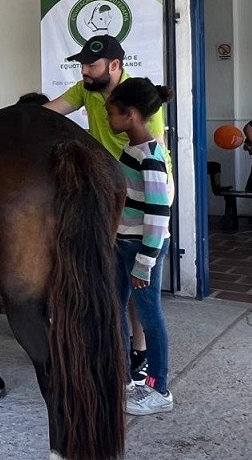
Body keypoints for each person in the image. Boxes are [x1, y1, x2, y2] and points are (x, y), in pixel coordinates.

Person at [44, 34, 168, 383]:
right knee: (114, 290)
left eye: (91, 65)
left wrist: (147, 255)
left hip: (141, 198)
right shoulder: (87, 89)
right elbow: (49, 111)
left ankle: (143, 357)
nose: (84, 71)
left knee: (141, 295)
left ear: (114, 65)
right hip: (110, 198)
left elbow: (155, 181)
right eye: (82, 64)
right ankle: (118, 358)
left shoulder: (138, 102)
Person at [105, 78, 175, 416]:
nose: (108, 119)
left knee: (149, 317)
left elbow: (159, 214)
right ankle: (123, 379)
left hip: (142, 249)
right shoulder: (130, 149)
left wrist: (145, 262)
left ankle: (160, 389)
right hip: (124, 244)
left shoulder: (150, 156)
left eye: (111, 113)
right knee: (115, 307)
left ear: (130, 114)